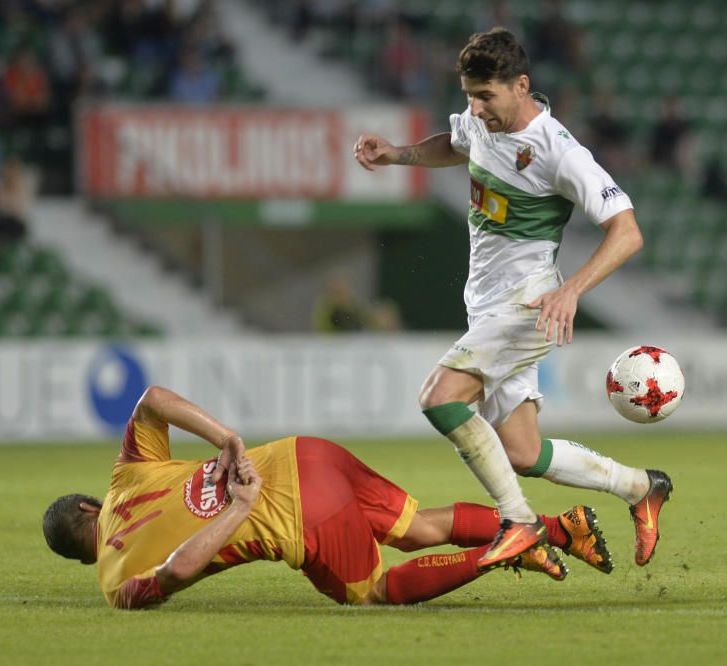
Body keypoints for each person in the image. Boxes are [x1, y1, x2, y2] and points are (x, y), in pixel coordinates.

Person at [353, 27, 671, 572]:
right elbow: (454, 145)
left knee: (439, 397)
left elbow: (627, 232)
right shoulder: (480, 123)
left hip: (530, 302)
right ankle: (642, 486)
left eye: (486, 97)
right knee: (524, 453)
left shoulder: (560, 152)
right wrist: (398, 155)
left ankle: (518, 520)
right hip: (485, 301)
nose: (475, 108)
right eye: (469, 96)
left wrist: (570, 290)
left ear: (521, 85)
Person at [43, 385, 615, 609]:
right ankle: (563, 529)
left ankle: (511, 549)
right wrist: (226, 438)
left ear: (83, 552)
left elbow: (174, 573)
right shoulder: (126, 476)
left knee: (373, 592)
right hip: (306, 454)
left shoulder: (116, 584)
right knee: (418, 527)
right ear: (90, 507)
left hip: (303, 517)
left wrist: (242, 507)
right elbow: (148, 400)